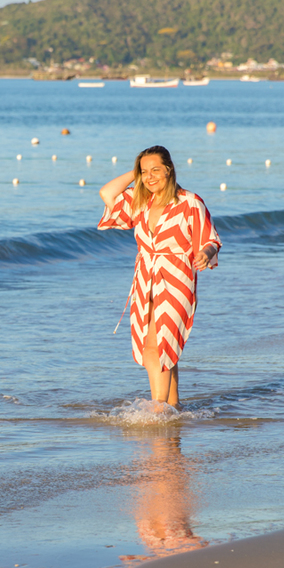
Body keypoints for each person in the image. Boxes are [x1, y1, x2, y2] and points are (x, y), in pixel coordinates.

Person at [98, 145, 221, 409]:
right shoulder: (140, 201)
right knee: (163, 346)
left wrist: (205, 253)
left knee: (156, 347)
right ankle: (173, 408)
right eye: (144, 172)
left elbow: (211, 240)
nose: (150, 177)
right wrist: (135, 174)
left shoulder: (189, 202)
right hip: (144, 278)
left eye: (156, 170)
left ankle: (157, 410)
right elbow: (107, 193)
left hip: (177, 278)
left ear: (169, 169)